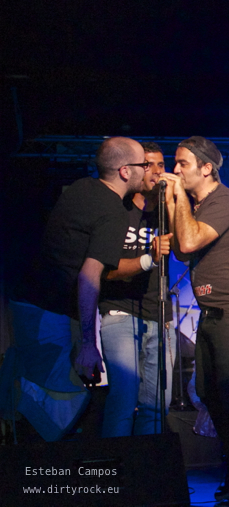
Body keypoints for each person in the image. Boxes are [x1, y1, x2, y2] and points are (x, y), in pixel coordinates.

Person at [0, 137, 146, 441]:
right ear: (124, 171)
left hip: (28, 302)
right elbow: (89, 276)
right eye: (143, 164)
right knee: (59, 405)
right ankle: (35, 464)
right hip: (45, 310)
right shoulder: (113, 211)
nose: (146, 169)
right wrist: (89, 344)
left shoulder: (81, 187)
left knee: (50, 390)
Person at [160, 136, 229, 507]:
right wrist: (175, 201)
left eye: (183, 164)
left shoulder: (223, 201)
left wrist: (177, 196)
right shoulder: (198, 205)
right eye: (175, 163)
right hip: (212, 313)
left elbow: (189, 243)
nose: (176, 170)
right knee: (210, 394)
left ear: (206, 168)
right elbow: (180, 250)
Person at [99, 141, 175, 437]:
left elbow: (186, 252)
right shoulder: (118, 209)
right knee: (123, 399)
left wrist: (174, 202)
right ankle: (116, 465)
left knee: (157, 406)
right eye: (148, 164)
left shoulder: (168, 212)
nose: (155, 171)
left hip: (160, 314)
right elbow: (104, 269)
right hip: (121, 312)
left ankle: (147, 464)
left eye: (161, 165)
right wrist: (148, 259)